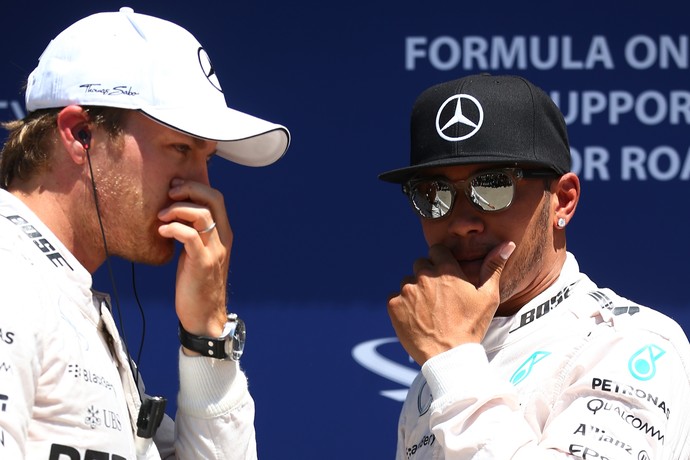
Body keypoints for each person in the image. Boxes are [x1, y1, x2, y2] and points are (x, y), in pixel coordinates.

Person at [0, 7, 289, 459]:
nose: (201, 188)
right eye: (179, 148)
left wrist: (207, 334)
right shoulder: (10, 277)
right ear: (80, 134)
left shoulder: (62, 292)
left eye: (206, 158)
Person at [379, 74, 690, 459]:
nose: (461, 222)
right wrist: (451, 361)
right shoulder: (437, 374)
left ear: (562, 200)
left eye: (492, 186)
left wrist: (452, 361)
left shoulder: (632, 341)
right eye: (433, 194)